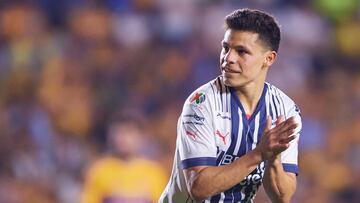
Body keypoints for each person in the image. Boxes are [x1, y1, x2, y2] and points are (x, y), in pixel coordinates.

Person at [159, 8, 302, 203]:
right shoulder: (202, 102)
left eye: (241, 51)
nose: (228, 58)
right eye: (226, 48)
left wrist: (274, 157)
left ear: (269, 59)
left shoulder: (285, 110)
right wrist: (259, 153)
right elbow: (198, 187)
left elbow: (282, 196)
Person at [81, 115, 167, 203]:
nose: (124, 138)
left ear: (141, 137)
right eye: (120, 133)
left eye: (129, 132)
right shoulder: (99, 171)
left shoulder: (154, 172)